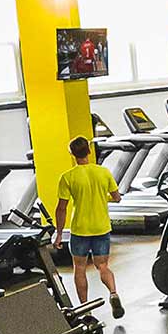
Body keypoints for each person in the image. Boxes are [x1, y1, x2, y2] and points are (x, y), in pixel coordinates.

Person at [51, 136, 124, 318]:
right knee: (103, 266)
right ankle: (113, 293)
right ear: (89, 151)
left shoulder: (67, 177)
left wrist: (58, 233)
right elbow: (117, 197)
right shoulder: (103, 172)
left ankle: (86, 308)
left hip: (80, 230)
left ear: (72, 154)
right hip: (101, 228)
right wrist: (103, 198)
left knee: (80, 268)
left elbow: (61, 208)